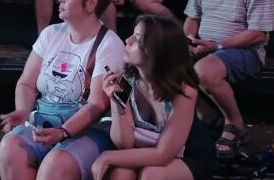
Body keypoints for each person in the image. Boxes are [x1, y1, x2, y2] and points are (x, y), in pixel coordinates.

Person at [0, 0, 125, 180]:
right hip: (46, 121)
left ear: (91, 3)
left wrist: (64, 132)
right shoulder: (51, 33)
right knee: (11, 147)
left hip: (89, 129)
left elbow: (97, 105)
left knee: (55, 165)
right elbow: (26, 83)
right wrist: (22, 110)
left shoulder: (109, 44)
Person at [184, 0, 274, 159]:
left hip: (244, 50)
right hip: (205, 45)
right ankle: (200, 120)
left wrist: (217, 46)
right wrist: (189, 38)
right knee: (161, 58)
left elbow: (259, 33)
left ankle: (234, 123)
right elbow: (192, 17)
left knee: (204, 70)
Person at [92, 15, 216, 180]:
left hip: (188, 155)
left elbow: (163, 154)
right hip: (143, 149)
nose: (128, 40)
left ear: (156, 50)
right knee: (120, 173)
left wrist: (107, 156)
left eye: (137, 39)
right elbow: (124, 143)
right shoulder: (127, 79)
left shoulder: (184, 90)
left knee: (151, 174)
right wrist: (116, 104)